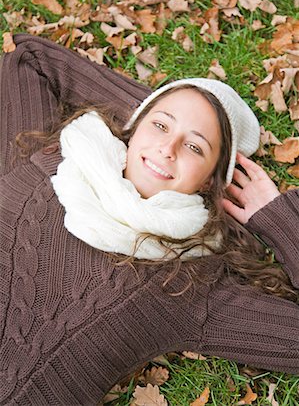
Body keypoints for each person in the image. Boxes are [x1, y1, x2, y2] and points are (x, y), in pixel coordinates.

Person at [0, 34, 298, 405]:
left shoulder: (187, 285)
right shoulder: (49, 159)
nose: (167, 148)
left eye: (194, 147)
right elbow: (32, 58)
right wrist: (160, 115)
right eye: (160, 126)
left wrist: (280, 220)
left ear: (209, 181)